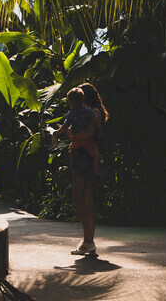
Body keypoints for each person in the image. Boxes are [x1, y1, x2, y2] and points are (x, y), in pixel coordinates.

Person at [65, 82, 109, 256]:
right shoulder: (85, 113)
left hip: (85, 157)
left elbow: (89, 133)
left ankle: (88, 241)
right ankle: (88, 240)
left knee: (80, 198)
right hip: (84, 156)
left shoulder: (94, 112)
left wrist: (73, 135)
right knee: (85, 198)